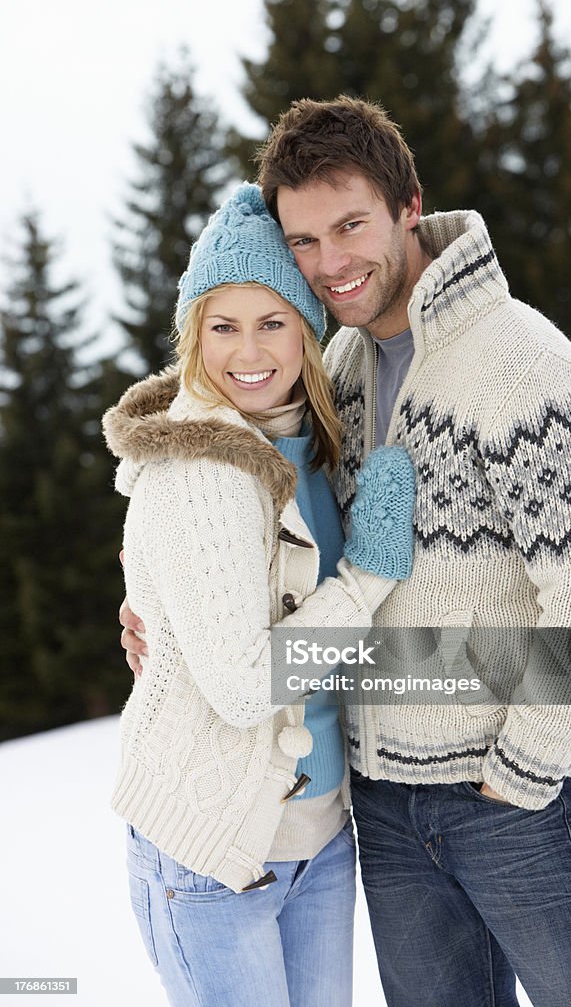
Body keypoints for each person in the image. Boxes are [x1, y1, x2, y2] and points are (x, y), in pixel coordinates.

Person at [121, 97, 571, 1007]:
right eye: (303, 241)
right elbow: (239, 520)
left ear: (409, 204)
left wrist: (518, 772)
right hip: (376, 806)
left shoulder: (525, 367)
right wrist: (163, 619)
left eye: (351, 224)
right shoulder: (342, 372)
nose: (330, 263)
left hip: (507, 804)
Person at [103, 181, 415, 1007]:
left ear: (307, 334)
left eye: (273, 321)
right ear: (192, 335)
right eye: (223, 326)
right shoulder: (203, 469)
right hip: (214, 850)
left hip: (319, 835)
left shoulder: (303, 443)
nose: (249, 351)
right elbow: (244, 686)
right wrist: (367, 578)